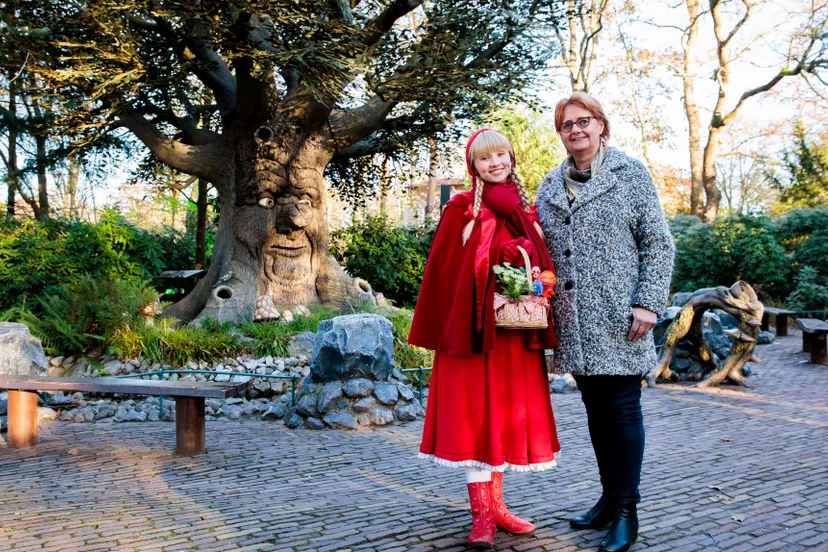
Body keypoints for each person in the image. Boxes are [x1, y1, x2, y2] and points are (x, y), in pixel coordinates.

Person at [535, 92, 675, 552]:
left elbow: (658, 243)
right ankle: (608, 499)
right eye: (566, 125)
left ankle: (626, 513)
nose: (575, 130)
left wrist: (649, 303)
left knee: (621, 409)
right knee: (596, 412)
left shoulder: (630, 174)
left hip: (622, 318)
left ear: (601, 125)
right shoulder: (549, 186)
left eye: (583, 121)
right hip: (575, 321)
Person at [409, 128, 561, 550]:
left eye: (501, 155)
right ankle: (481, 519)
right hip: (471, 335)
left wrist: (526, 260)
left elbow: (544, 266)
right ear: (472, 166)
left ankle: (498, 509)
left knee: (503, 423)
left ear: (512, 157)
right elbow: (450, 272)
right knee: (475, 421)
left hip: (513, 333)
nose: (495, 163)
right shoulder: (461, 209)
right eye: (484, 159)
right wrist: (499, 254)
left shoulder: (527, 211)